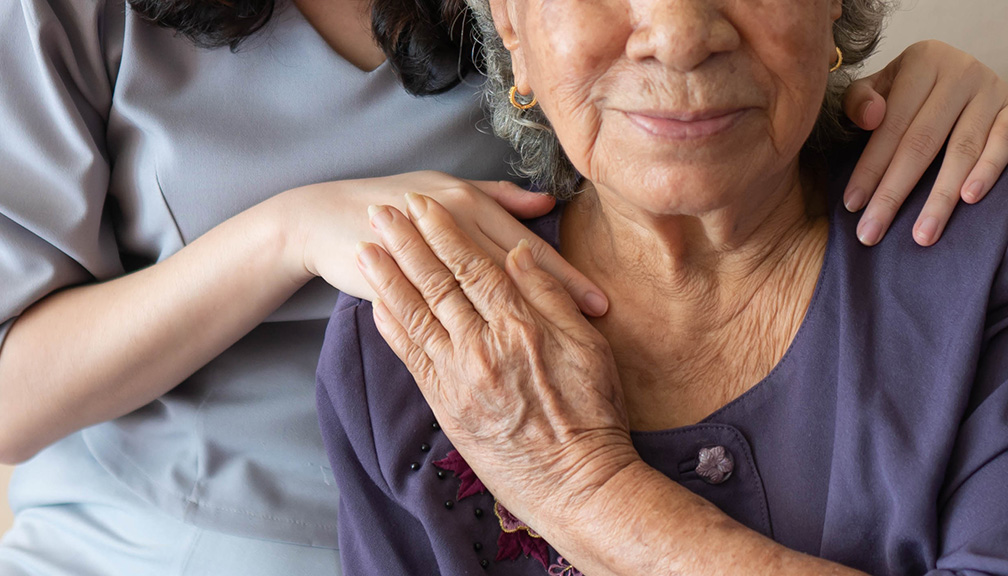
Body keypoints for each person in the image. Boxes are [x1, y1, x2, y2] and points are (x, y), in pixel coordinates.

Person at [0, 0, 1004, 574]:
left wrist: (949, 81)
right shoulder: (385, 349)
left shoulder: (961, 265)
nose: (675, 32)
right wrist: (288, 235)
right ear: (513, 40)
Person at [316, 0, 1008, 574]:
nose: (678, 38)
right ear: (513, 27)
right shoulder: (411, 338)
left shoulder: (982, 252)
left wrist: (583, 489)